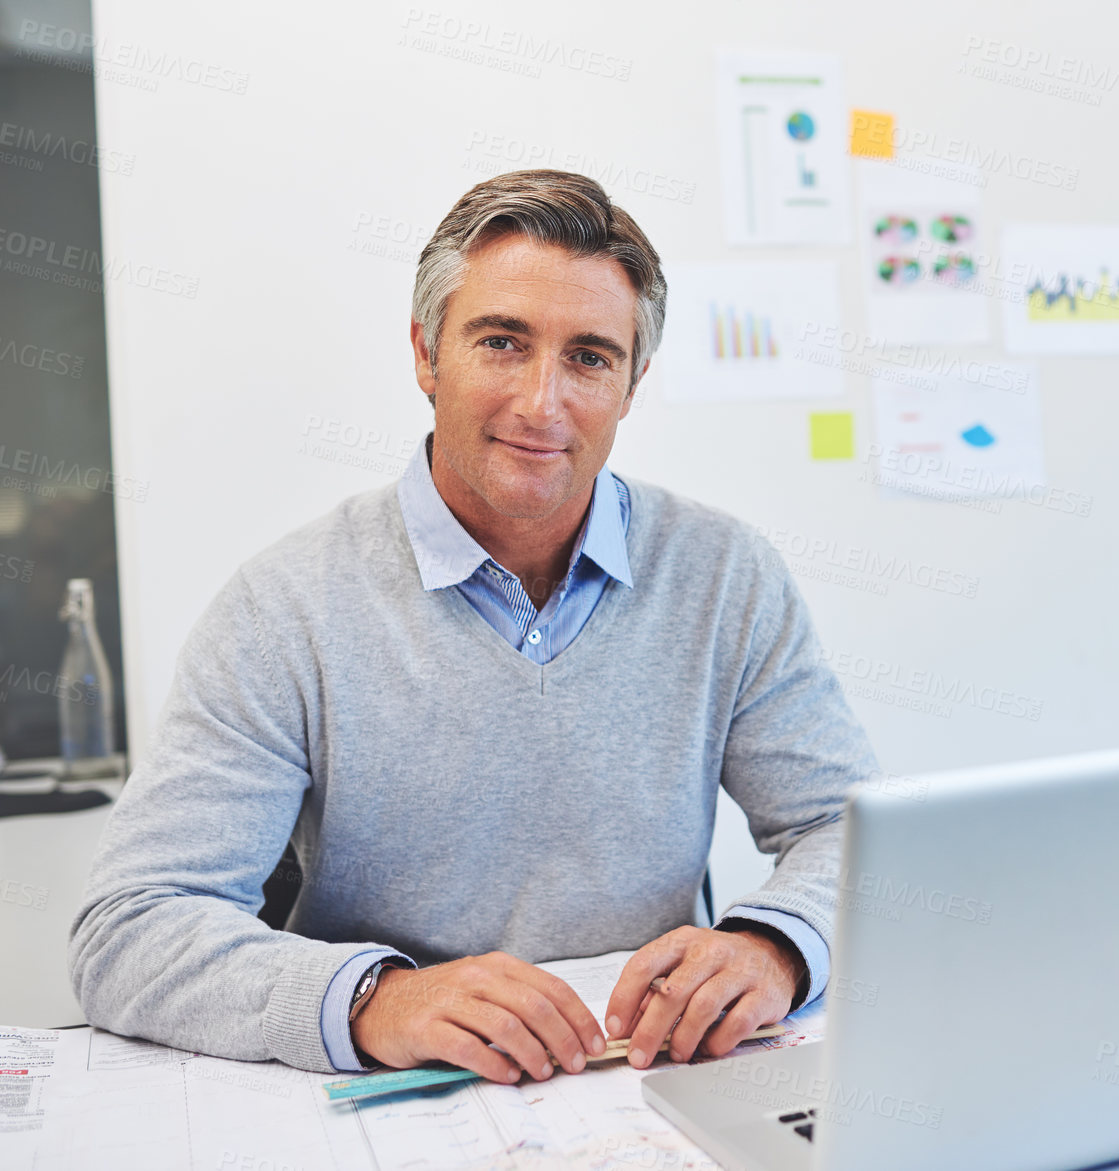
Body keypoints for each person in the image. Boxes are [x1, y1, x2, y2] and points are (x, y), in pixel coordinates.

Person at [68, 169, 877, 1083]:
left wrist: (778, 944)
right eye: (502, 342)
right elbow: (129, 927)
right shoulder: (283, 608)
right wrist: (376, 996)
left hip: (640, 1088)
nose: (543, 402)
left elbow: (855, 833)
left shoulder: (725, 576)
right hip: (401, 1102)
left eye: (589, 357)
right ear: (426, 353)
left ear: (632, 383)